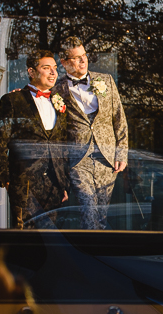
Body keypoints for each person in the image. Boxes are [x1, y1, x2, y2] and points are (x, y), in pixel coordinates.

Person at [53, 36, 128, 229]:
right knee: (88, 206)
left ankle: (97, 250)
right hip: (79, 159)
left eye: (84, 55)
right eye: (76, 58)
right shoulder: (57, 90)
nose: (83, 61)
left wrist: (121, 152)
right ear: (64, 63)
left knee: (101, 213)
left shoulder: (106, 80)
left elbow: (119, 119)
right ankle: (91, 248)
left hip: (107, 156)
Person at [0, 50, 70, 228]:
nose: (53, 72)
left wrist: (63, 182)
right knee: (24, 238)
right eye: (46, 68)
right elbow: (0, 142)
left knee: (51, 240)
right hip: (24, 182)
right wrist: (6, 179)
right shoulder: (13, 100)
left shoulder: (59, 101)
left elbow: (62, 145)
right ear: (32, 72)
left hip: (53, 184)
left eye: (55, 68)